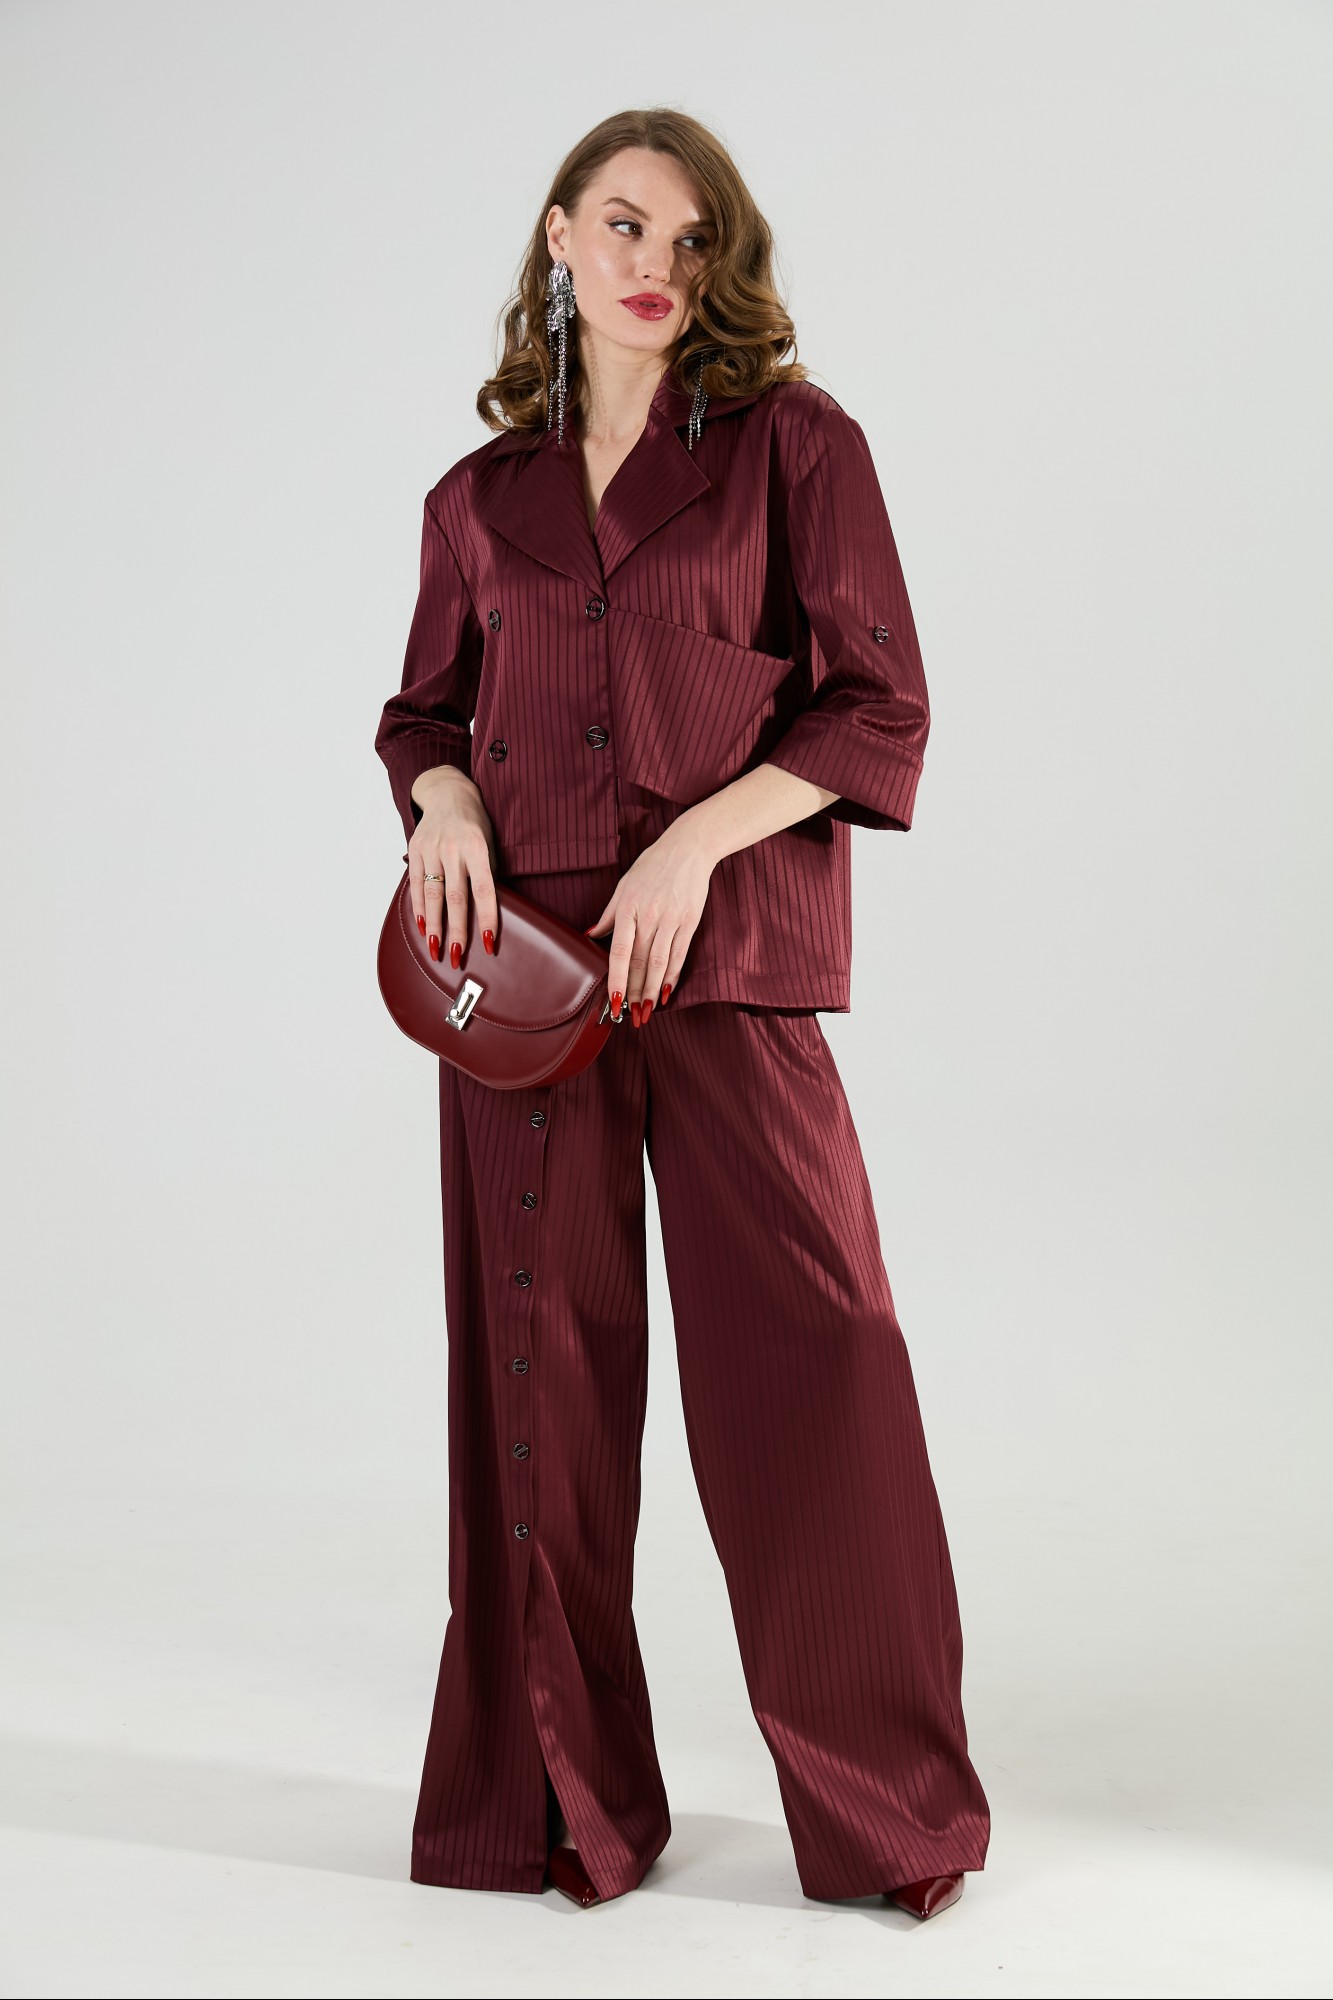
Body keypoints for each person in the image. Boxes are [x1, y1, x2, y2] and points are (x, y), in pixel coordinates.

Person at [374, 105, 991, 1920]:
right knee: (535, 1388)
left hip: (725, 965)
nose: (658, 264)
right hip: (524, 985)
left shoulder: (796, 447)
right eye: (627, 226)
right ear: (560, 239)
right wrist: (442, 804)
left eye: (693, 237)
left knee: (816, 1358)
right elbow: (423, 716)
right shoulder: (474, 500)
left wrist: (692, 848)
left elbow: (876, 705)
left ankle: (890, 1819)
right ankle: (552, 1807)